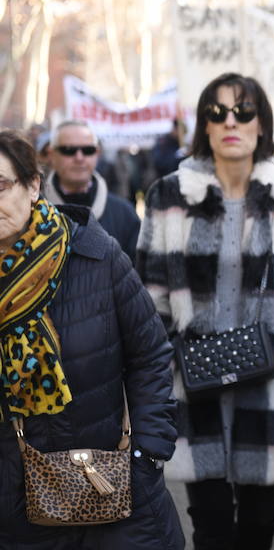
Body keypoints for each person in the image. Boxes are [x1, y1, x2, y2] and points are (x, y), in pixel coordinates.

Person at [135, 72, 274, 550]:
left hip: (269, 382)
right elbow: (150, 297)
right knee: (211, 524)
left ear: (262, 124)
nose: (230, 122)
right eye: (216, 112)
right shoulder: (168, 196)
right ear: (203, 123)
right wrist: (162, 369)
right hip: (194, 381)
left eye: (243, 112)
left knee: (263, 519)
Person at [0, 129, 183, 549]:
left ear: (32, 186)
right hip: (15, 507)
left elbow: (151, 354)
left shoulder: (95, 255)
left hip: (113, 492)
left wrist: (146, 455)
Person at [43, 120, 141, 260]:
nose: (79, 158)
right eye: (69, 150)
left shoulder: (125, 213)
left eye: (88, 150)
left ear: (97, 153)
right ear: (51, 155)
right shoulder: (30, 212)